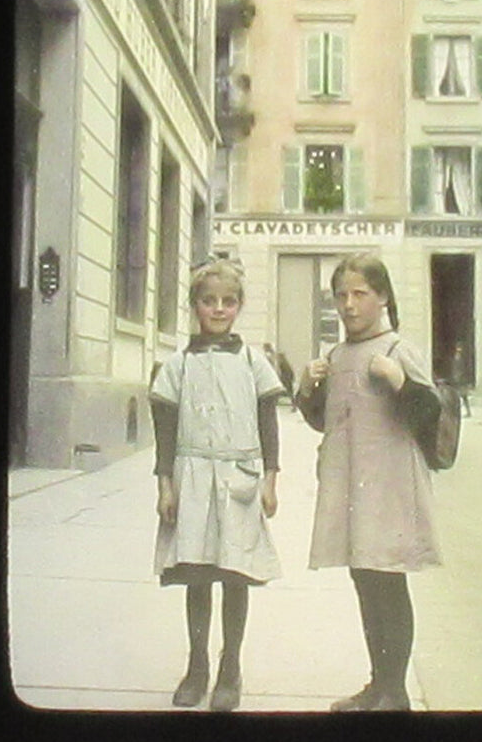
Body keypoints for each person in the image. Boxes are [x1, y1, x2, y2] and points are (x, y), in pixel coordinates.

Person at [295, 253, 443, 712]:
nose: (349, 304)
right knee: (365, 582)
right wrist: (307, 390)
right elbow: (326, 422)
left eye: (360, 294)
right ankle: (377, 685)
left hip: (391, 488)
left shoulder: (399, 350)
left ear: (382, 298)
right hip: (351, 487)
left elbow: (433, 419)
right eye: (341, 295)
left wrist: (401, 382)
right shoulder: (336, 356)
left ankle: (395, 691)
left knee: (388, 583)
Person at [150, 260, 285, 711]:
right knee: (198, 576)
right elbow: (165, 432)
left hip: (240, 482)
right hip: (192, 481)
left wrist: (270, 480)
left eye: (228, 302)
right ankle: (197, 667)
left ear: (240, 307)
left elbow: (269, 425)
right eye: (209, 301)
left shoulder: (254, 363)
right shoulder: (177, 366)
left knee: (234, 576)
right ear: (195, 307)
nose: (219, 309)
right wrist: (165, 486)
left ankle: (231, 668)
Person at [447, 342, 473, 416]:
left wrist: (461, 378)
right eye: (458, 348)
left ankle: (467, 412)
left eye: (460, 348)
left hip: (461, 380)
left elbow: (463, 369)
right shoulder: (456, 358)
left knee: (463, 397)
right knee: (460, 397)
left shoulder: (462, 359)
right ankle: (462, 412)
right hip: (457, 380)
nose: (458, 350)